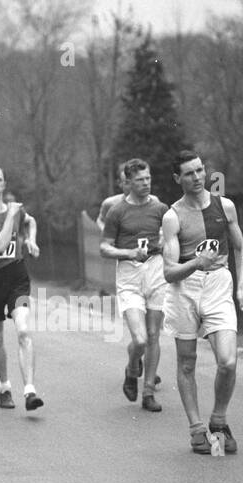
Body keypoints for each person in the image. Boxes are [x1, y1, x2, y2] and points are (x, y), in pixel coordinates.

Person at [160, 150, 243, 453]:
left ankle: (219, 419)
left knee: (228, 361)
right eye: (189, 173)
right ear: (177, 179)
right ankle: (197, 429)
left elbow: (240, 247)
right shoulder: (172, 217)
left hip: (219, 284)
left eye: (200, 171)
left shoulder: (225, 206)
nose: (197, 178)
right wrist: (196, 263)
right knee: (187, 362)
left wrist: (241, 287)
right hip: (185, 289)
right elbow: (169, 272)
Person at [0, 165, 42, 410]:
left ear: (4, 184)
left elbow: (30, 221)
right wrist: (12, 216)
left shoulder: (16, 211)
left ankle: (30, 391)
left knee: (23, 330)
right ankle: (4, 387)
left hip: (17, 277)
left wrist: (31, 239)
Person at [100, 158, 166, 411]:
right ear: (128, 182)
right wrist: (128, 253)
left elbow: (172, 238)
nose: (146, 184)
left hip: (155, 272)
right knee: (139, 340)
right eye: (140, 180)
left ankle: (148, 392)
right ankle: (132, 368)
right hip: (129, 274)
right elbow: (105, 247)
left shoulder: (160, 208)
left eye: (148, 178)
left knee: (153, 335)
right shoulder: (117, 211)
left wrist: (164, 246)